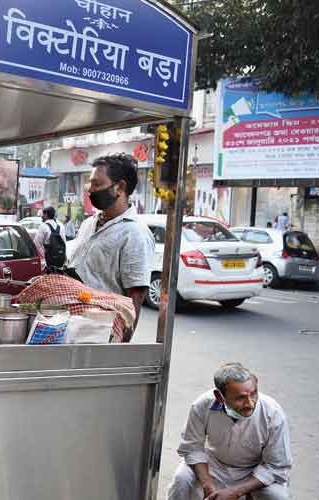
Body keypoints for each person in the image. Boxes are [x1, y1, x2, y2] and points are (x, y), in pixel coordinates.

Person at [168, 363, 291, 500]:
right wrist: (208, 485)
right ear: (220, 397)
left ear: (256, 383)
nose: (250, 403)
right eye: (240, 398)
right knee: (181, 479)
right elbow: (192, 448)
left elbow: (276, 466)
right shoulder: (202, 405)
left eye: (253, 394)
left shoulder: (273, 413)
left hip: (254, 471)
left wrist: (238, 491)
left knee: (278, 496)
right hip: (214, 466)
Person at [67, 154, 155, 337]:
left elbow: (135, 296)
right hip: (72, 325)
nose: (90, 190)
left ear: (120, 188)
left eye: (97, 184)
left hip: (101, 333)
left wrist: (120, 347)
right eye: (90, 184)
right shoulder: (88, 223)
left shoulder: (134, 234)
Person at [33, 206, 67, 271]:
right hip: (60, 263)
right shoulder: (61, 226)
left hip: (48, 264)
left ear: (46, 215)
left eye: (42, 215)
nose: (41, 217)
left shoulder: (43, 226)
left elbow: (36, 244)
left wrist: (43, 261)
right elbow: (64, 244)